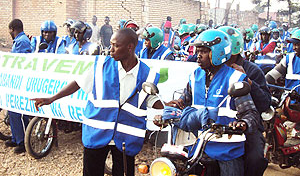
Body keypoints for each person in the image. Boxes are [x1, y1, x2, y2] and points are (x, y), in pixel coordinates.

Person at [32, 28, 163, 176]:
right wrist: (52, 98)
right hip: (97, 133)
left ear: (130, 47)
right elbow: (78, 83)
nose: (111, 49)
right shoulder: (100, 65)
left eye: (115, 45)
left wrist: (166, 108)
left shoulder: (148, 74)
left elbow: (151, 99)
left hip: (126, 137)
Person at [158, 29, 259, 176]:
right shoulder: (195, 76)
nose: (198, 55)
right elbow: (184, 103)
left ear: (218, 52)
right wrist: (168, 112)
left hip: (227, 150)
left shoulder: (235, 78)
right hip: (198, 148)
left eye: (204, 51)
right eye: (198, 51)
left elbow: (251, 114)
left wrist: (242, 124)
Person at [219, 26, 270, 176]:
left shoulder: (253, 70)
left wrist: (248, 82)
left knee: (255, 159)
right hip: (217, 124)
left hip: (247, 125)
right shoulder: (214, 69)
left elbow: (264, 103)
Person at [266, 29, 300, 138]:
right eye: (294, 45)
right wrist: (262, 84)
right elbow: (271, 76)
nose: (294, 48)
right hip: (289, 105)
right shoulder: (289, 59)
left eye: (298, 45)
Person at [6, 19, 31, 153]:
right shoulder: (19, 41)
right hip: (15, 81)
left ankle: (23, 142)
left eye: (9, 30)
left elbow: (23, 62)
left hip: (21, 81)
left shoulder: (22, 42)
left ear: (12, 29)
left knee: (19, 113)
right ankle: (16, 138)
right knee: (12, 111)